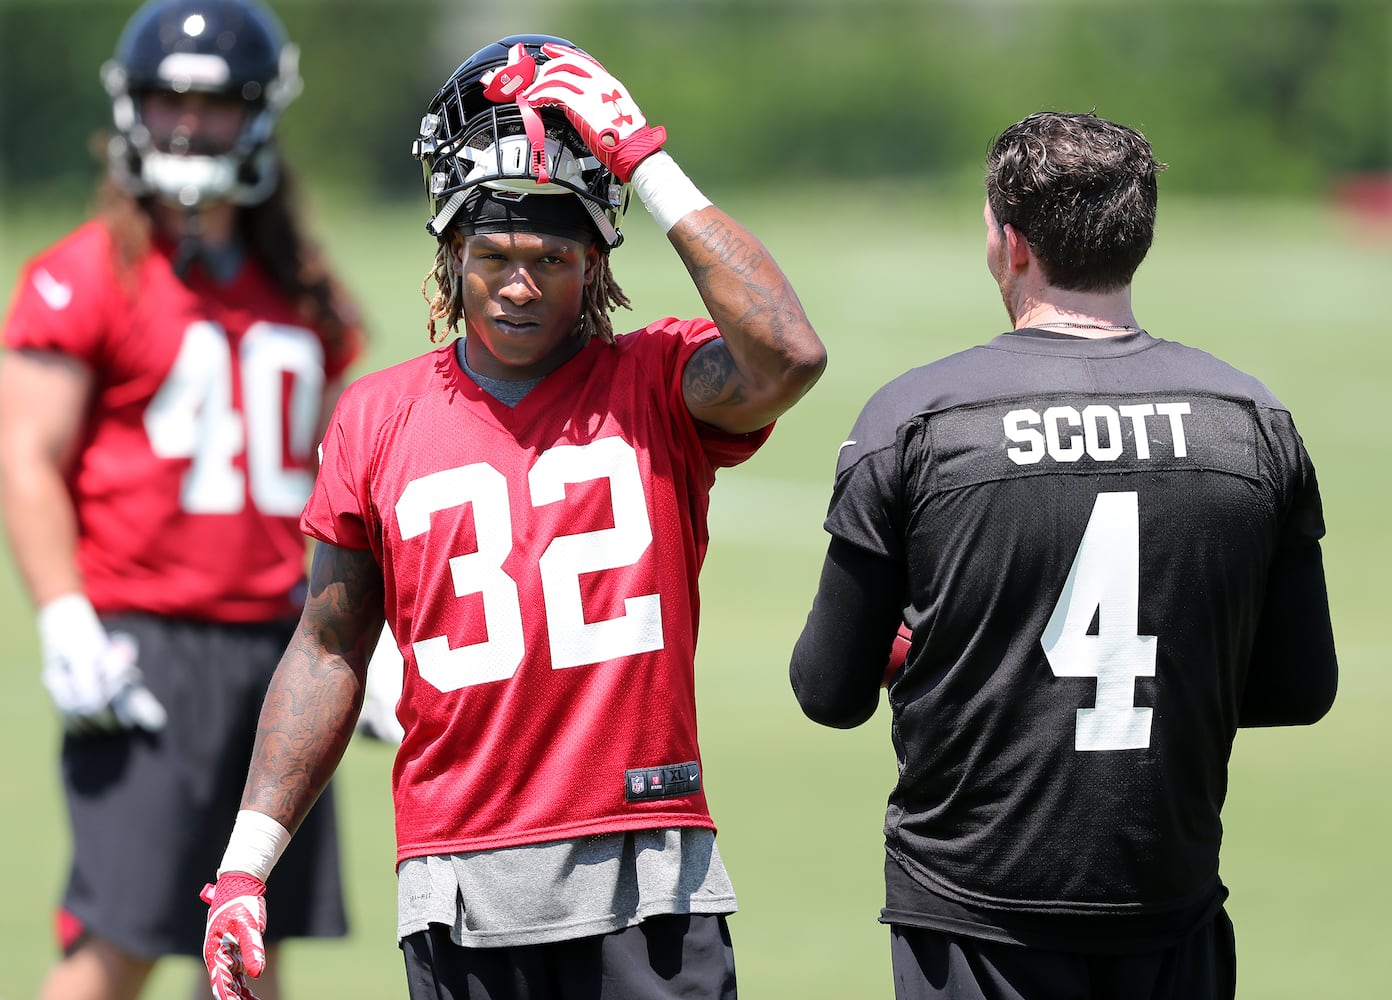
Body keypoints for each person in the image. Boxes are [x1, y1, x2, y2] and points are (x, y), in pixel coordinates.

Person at [199, 33, 826, 1000]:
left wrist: (644, 162)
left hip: (648, 872)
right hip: (461, 878)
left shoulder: (659, 379)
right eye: (491, 253)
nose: (521, 284)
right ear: (450, 254)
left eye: (552, 256)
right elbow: (327, 649)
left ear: (598, 261)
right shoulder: (378, 415)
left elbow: (787, 354)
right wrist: (245, 866)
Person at [789, 110, 1337, 1000]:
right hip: (1171, 903)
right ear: (1139, 240)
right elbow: (1300, 689)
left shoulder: (917, 420)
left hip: (972, 910)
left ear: (1011, 245)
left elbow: (828, 691)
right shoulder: (1251, 423)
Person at [0, 1, 362, 997]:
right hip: (144, 645)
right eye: (169, 99)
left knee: (250, 945)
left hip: (284, 646)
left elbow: (348, 476)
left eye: (214, 102)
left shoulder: (306, 288)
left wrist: (380, 630)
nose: (190, 125)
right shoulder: (84, 277)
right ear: (130, 107)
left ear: (259, 111)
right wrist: (66, 617)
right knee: (115, 944)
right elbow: (24, 455)